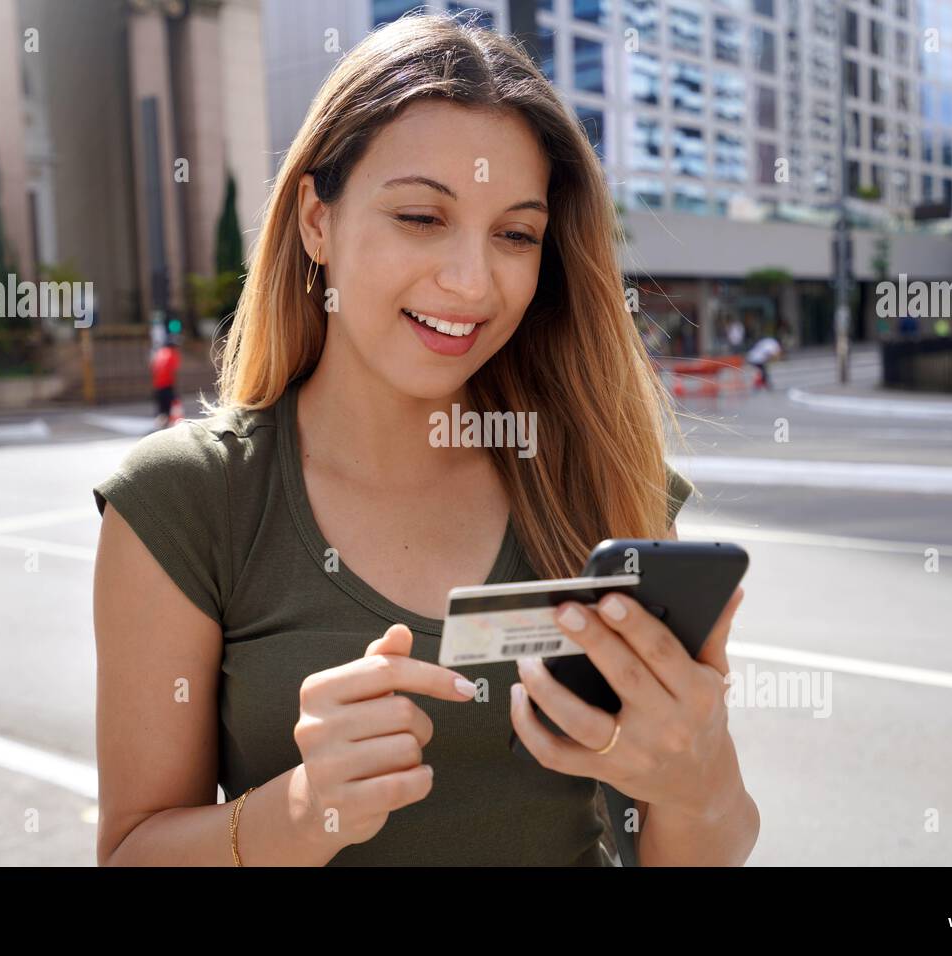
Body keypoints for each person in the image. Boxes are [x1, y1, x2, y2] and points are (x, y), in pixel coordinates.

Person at [91, 13, 757, 867]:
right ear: (315, 222)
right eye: (419, 216)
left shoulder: (601, 479)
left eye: (515, 235)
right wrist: (299, 812)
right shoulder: (185, 501)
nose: (472, 281)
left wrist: (697, 781)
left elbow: (696, 846)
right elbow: (128, 855)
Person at [149, 333, 181, 429]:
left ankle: (160, 423)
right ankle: (167, 424)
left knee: (161, 407)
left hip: (158, 385)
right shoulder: (172, 353)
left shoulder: (159, 352)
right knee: (170, 406)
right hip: (167, 384)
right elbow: (173, 370)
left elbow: (153, 367)